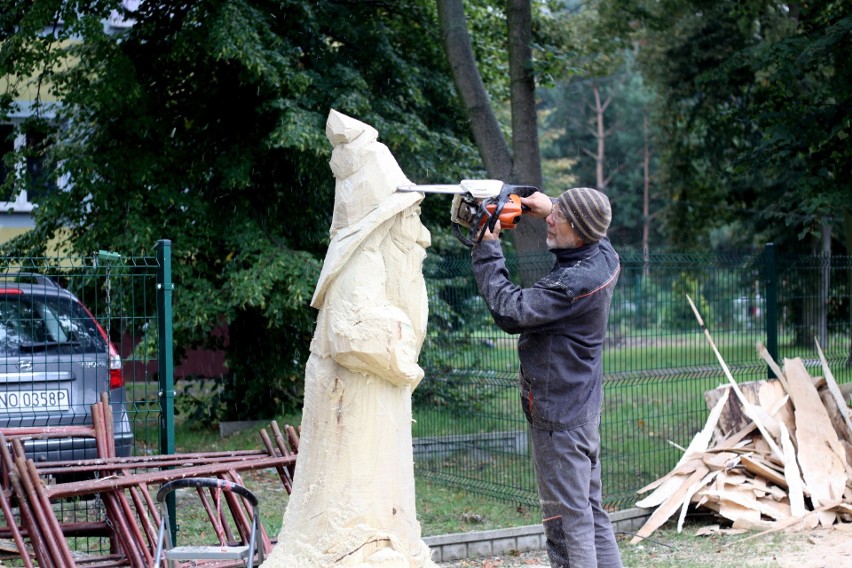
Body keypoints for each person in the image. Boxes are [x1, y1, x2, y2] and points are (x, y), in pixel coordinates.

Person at [470, 187, 623, 568]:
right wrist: (549, 205)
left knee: (566, 527)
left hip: (559, 417)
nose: (550, 220)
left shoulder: (573, 284)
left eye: (559, 218)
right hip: (581, 409)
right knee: (590, 512)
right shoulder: (604, 255)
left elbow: (511, 310)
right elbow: (589, 223)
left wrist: (487, 247)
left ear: (581, 231)